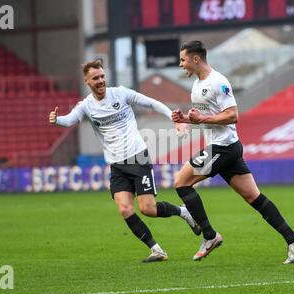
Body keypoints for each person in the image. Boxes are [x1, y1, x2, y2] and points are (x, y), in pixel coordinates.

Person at [49, 60, 201, 263]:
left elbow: (151, 103)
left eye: (102, 76)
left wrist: (174, 119)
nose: (101, 80)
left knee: (148, 209)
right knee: (125, 209)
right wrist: (57, 119)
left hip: (137, 157)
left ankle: (184, 212)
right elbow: (69, 119)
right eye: (96, 78)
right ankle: (157, 250)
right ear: (87, 81)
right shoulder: (86, 105)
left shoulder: (120, 93)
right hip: (116, 165)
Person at [172, 40, 294, 264]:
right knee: (253, 197)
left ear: (196, 59)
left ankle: (209, 235)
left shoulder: (219, 82)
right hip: (226, 147)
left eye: (183, 60)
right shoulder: (197, 85)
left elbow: (233, 115)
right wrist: (186, 119)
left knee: (181, 182)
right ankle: (293, 239)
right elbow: (209, 118)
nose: (180, 64)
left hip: (223, 147)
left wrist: (201, 118)